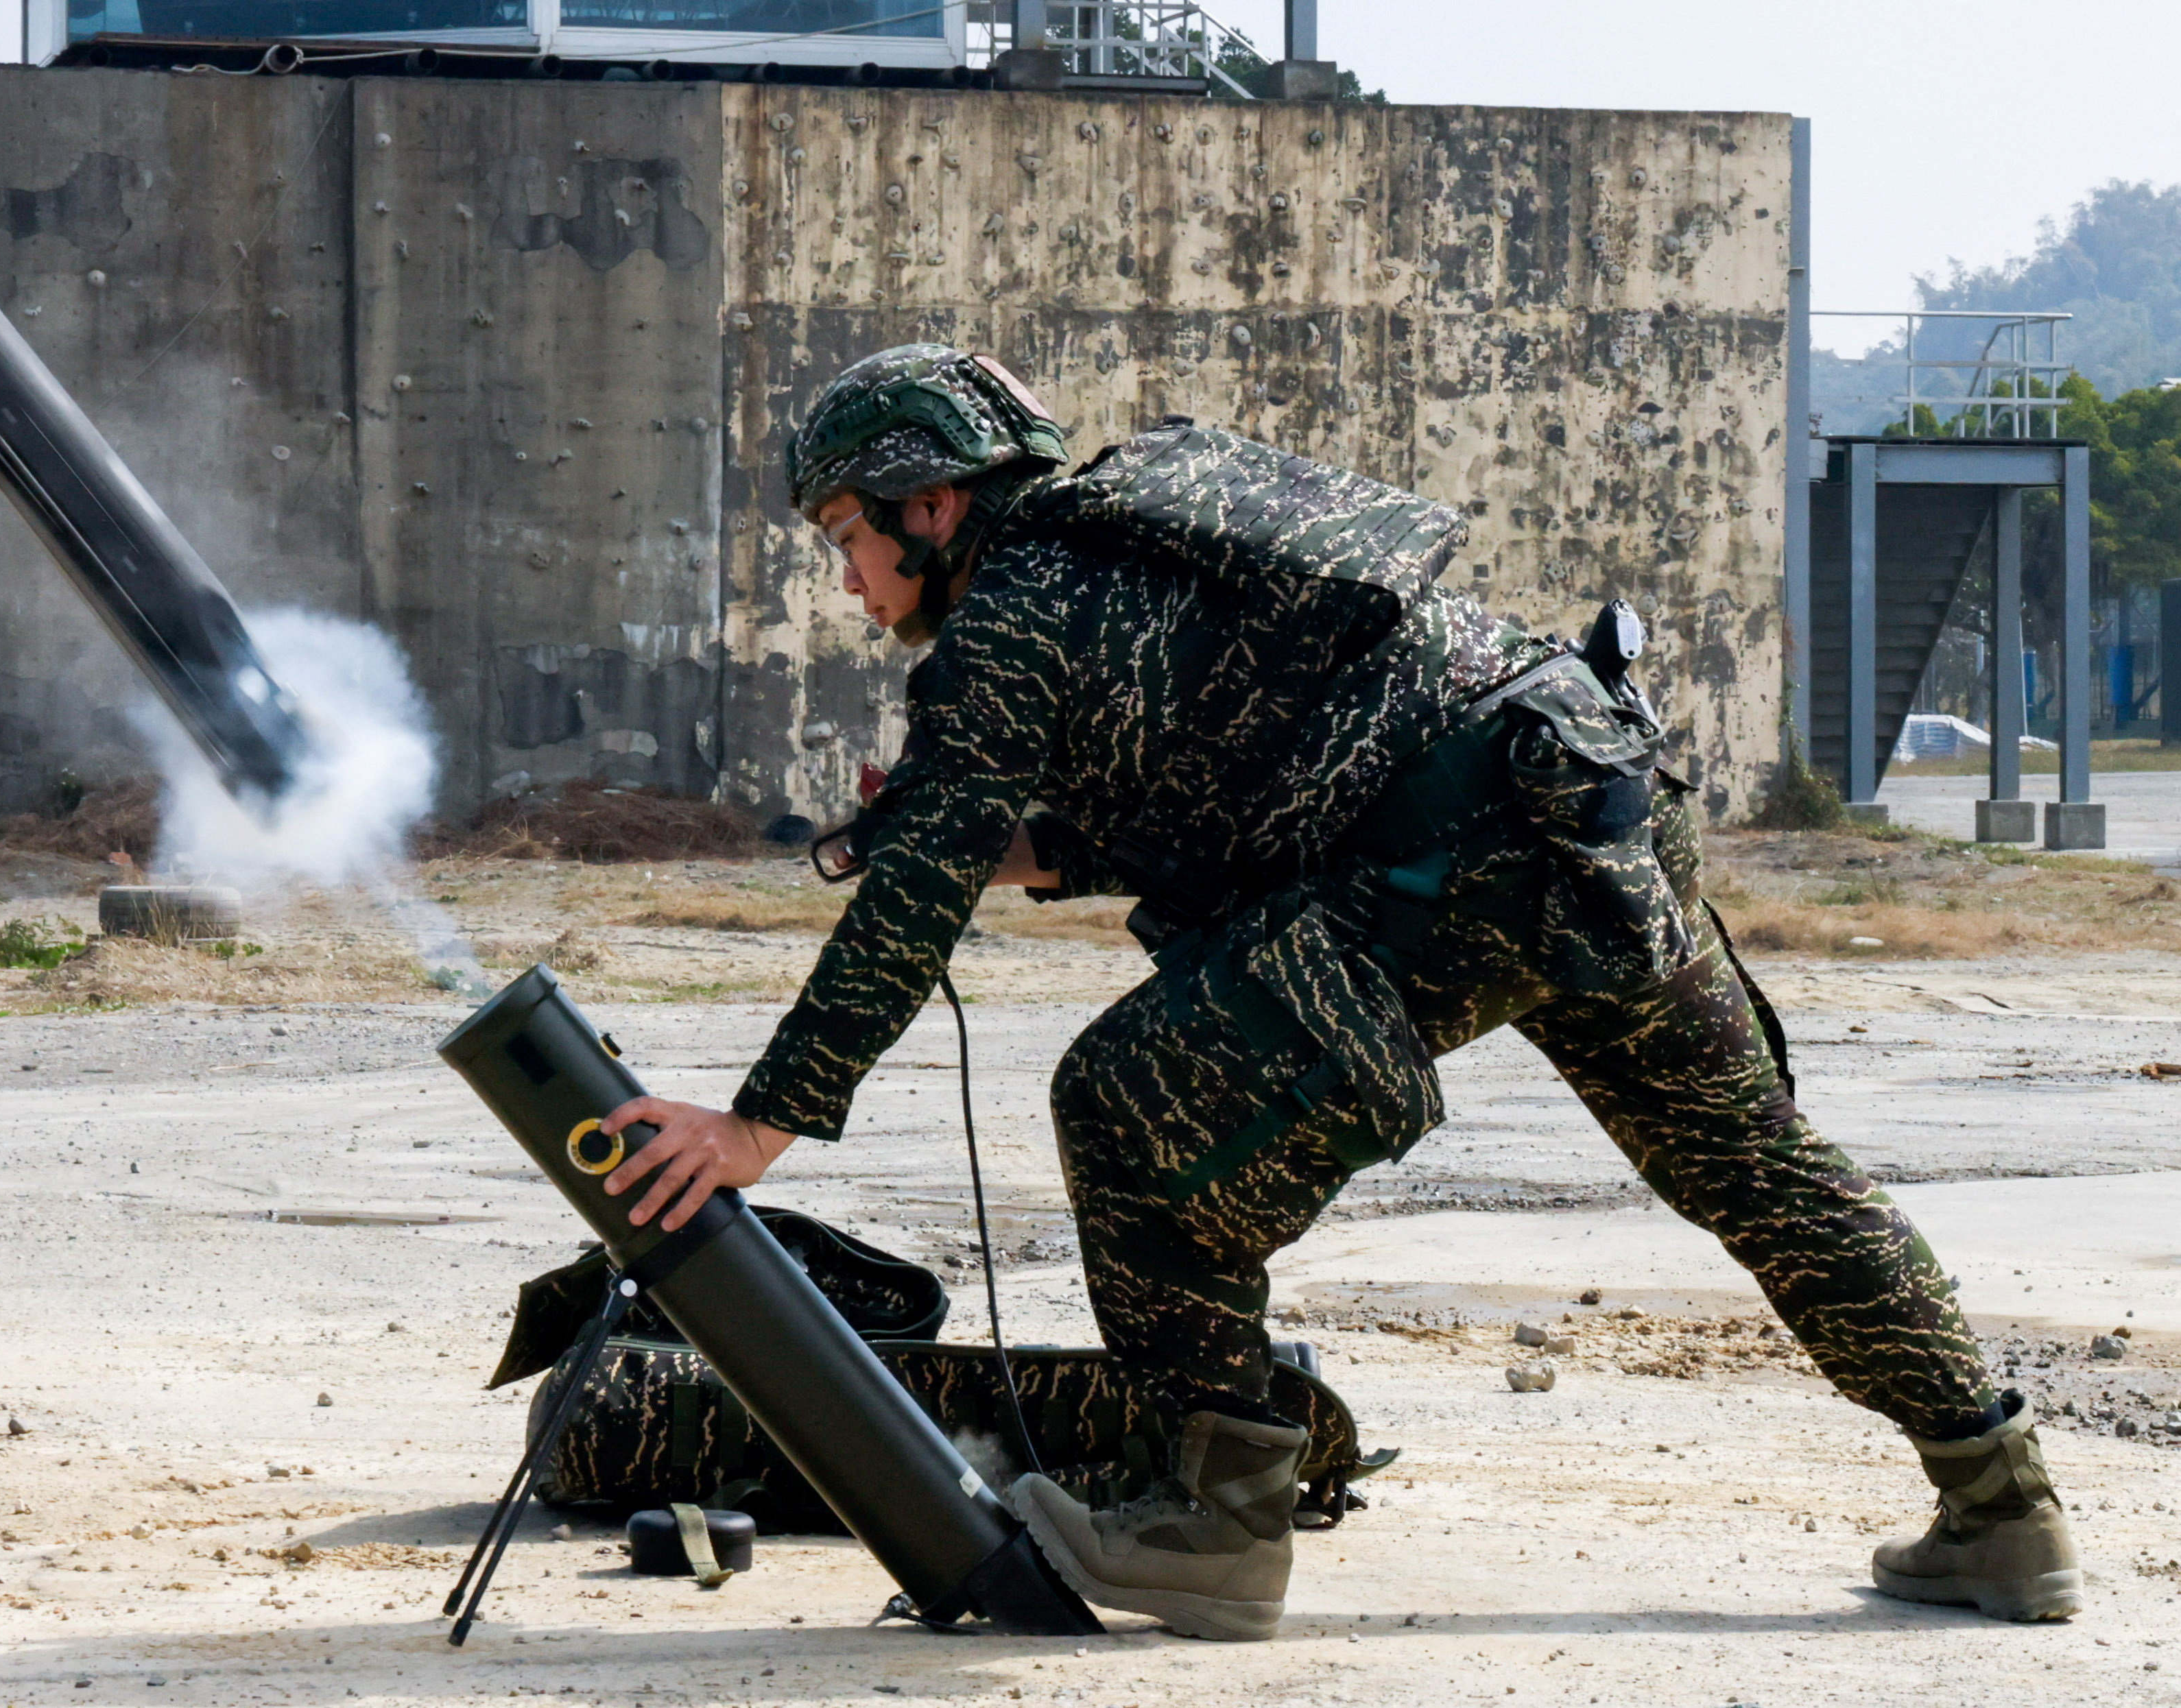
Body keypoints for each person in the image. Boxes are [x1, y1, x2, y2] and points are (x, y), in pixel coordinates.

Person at [594, 345, 2082, 1641]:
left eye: (845, 534)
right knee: (1752, 1165)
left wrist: (753, 1130)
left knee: (1120, 1106)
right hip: (1583, 795)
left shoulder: (1010, 611)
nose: (843, 578)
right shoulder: (1135, 535)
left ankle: (1216, 1519)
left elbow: (900, 914)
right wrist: (1028, 854)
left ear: (933, 505)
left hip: (1449, 855)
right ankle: (1998, 1505)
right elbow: (1243, 772)